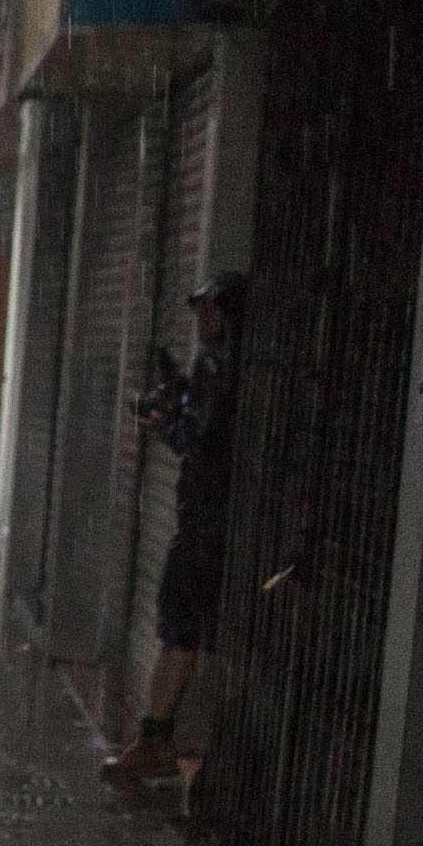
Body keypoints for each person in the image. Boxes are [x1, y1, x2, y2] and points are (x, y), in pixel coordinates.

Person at [104, 271, 243, 784]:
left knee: (180, 625)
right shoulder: (220, 366)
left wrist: (162, 420)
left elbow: (198, 440)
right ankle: (158, 738)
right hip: (208, 518)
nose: (202, 320)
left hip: (209, 522)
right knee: (181, 625)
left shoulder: (223, 367)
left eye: (211, 310)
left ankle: (157, 740)